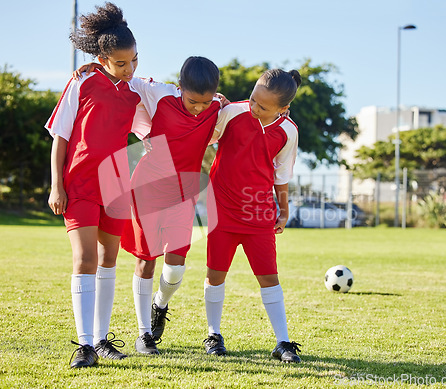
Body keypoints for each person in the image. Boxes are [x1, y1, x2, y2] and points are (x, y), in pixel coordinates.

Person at [73, 56, 222, 355]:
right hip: (147, 189)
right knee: (146, 260)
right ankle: (144, 334)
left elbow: (251, 108)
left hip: (184, 193)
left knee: (176, 267)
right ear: (180, 88)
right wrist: (99, 66)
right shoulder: (161, 94)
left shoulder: (218, 106)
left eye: (205, 103)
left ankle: (160, 304)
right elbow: (125, 78)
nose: (199, 108)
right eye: (193, 101)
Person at [46, 2, 149, 368]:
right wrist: (57, 185)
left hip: (117, 185)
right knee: (84, 258)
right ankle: (85, 345)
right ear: (102, 57)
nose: (129, 68)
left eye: (134, 60)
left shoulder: (138, 91)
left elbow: (166, 114)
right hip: (80, 183)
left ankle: (103, 339)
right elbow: (60, 136)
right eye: (121, 63)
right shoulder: (82, 81)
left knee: (108, 259)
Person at [203, 69, 302, 363]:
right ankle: (213, 334)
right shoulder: (232, 112)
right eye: (252, 99)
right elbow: (205, 137)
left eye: (262, 106)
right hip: (221, 206)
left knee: (269, 276)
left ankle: (283, 342)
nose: (254, 107)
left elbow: (281, 174)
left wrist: (283, 210)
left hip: (259, 211)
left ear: (283, 108)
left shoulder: (289, 131)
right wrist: (212, 108)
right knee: (215, 273)